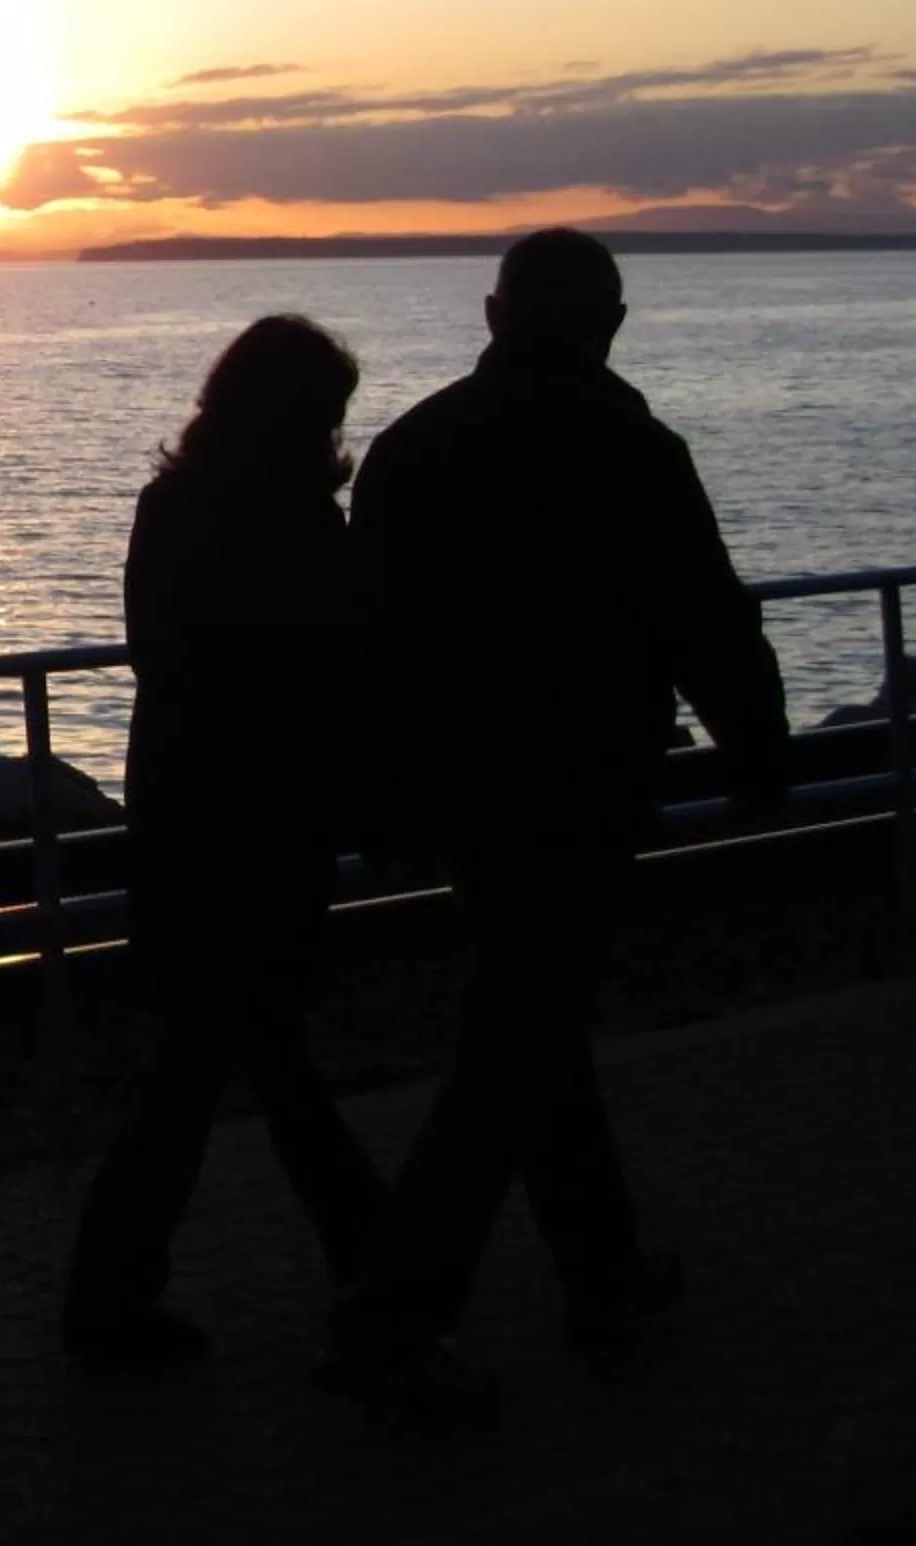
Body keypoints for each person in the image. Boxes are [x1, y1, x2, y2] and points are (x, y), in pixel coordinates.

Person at [324, 228, 789, 1417]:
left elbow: (361, 650)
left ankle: (603, 1276)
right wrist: (760, 758)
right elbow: (708, 620)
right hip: (580, 787)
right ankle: (394, 1313)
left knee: (533, 1028)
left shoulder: (410, 449)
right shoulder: (633, 449)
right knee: (519, 1044)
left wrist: (373, 794)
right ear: (611, 324)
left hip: (458, 792)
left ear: (494, 314)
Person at [63, 314, 388, 1364]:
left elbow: (162, 662)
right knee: (247, 1063)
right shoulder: (304, 528)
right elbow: (334, 680)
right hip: (267, 832)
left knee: (210, 1065)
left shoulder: (171, 509)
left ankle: (121, 1293)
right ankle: (377, 1266)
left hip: (182, 824)